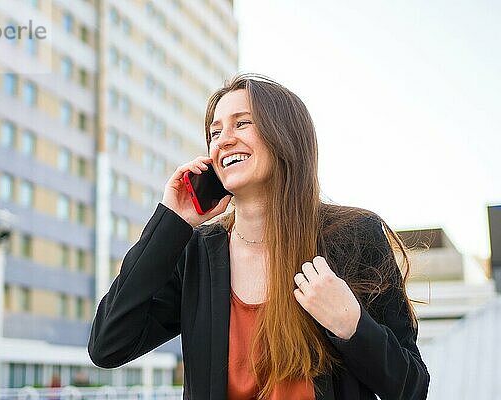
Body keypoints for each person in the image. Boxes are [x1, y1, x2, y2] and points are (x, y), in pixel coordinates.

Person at [88, 74, 429, 399]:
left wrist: (352, 325)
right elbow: (107, 344)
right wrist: (171, 222)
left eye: (242, 123)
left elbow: (411, 388)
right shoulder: (197, 253)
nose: (223, 140)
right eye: (214, 132)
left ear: (285, 136)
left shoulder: (356, 237)